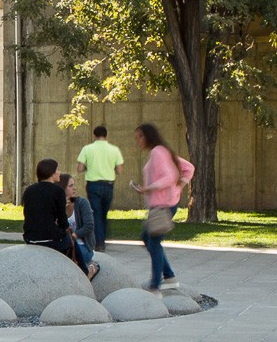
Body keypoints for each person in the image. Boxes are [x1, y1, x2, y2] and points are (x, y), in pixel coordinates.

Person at [131, 122, 193, 292]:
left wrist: (149, 188)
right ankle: (169, 276)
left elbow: (169, 176)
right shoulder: (163, 151)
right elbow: (188, 168)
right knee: (147, 238)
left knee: (154, 243)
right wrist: (179, 186)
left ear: (148, 135)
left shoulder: (158, 152)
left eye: (140, 136)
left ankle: (155, 286)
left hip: (162, 206)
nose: (138, 141)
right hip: (163, 205)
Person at [21, 158, 98, 279]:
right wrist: (66, 229)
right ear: (51, 173)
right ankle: (85, 272)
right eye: (57, 169)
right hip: (50, 240)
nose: (59, 172)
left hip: (30, 238)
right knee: (71, 243)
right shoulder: (57, 191)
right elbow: (62, 222)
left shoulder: (29, 190)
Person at [75, 124, 123, 251]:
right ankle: (102, 240)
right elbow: (119, 170)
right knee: (103, 213)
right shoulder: (114, 149)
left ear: (94, 135)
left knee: (95, 213)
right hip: (109, 185)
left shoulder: (87, 149)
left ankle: (99, 242)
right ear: (106, 135)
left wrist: (88, 167)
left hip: (93, 184)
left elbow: (79, 168)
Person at [61, 173, 97, 271]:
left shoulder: (82, 203)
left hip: (82, 245)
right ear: (62, 188)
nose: (75, 188)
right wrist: (61, 211)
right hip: (65, 244)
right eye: (70, 186)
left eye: (74, 185)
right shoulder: (57, 205)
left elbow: (89, 226)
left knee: (69, 255)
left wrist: (72, 237)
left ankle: (90, 271)